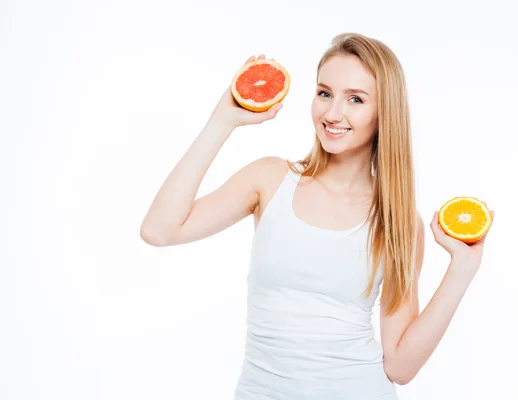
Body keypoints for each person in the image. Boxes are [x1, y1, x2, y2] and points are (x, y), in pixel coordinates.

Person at [140, 32, 495, 400]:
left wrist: (461, 271)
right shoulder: (270, 178)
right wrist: (221, 122)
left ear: (383, 113)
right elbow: (159, 229)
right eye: (324, 93)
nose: (332, 113)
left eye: (355, 99)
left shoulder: (397, 220)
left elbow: (400, 366)